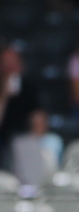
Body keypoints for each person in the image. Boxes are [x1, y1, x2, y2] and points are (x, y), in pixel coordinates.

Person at [0, 44, 40, 172]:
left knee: (49, 143)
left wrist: (33, 140)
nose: (10, 68)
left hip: (23, 137)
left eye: (13, 63)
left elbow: (38, 118)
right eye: (6, 64)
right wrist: (4, 97)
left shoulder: (28, 87)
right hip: (3, 137)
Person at [12, 110, 63, 198]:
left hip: (50, 185)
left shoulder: (54, 140)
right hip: (25, 186)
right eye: (36, 123)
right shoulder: (20, 143)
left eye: (42, 122)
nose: (39, 125)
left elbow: (57, 166)